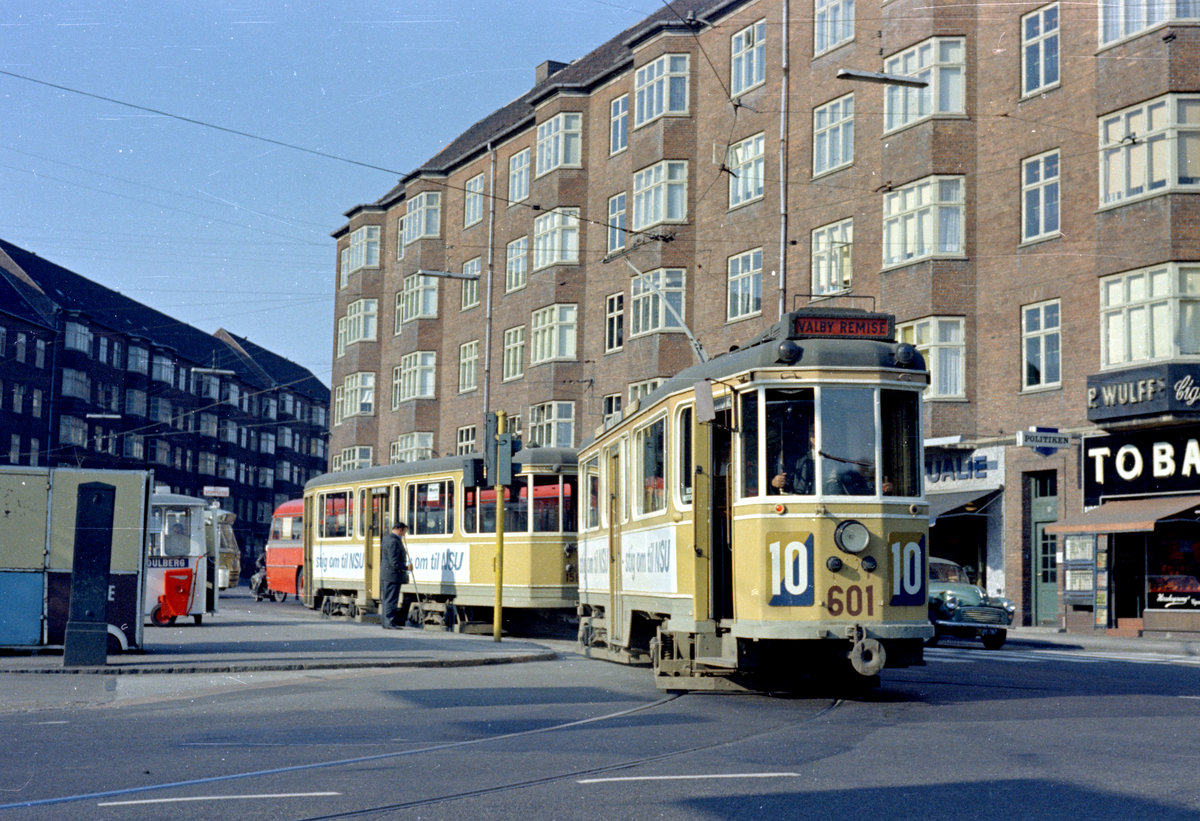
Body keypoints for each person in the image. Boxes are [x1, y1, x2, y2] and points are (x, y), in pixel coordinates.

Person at [380, 521, 413, 629]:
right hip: (392, 575)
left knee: (387, 599)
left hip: (387, 575)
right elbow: (394, 561)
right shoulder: (394, 542)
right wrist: (406, 568)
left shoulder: (387, 539)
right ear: (400, 530)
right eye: (404, 532)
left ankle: (386, 623)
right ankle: (389, 623)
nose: (404, 535)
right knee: (391, 600)